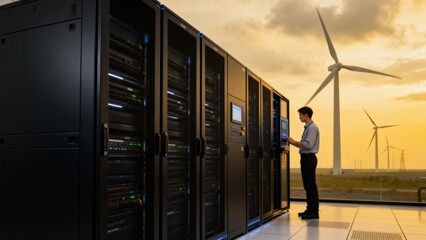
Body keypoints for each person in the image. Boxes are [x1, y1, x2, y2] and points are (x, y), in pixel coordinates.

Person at [286, 106, 320, 219]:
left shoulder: (312, 128)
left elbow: (308, 144)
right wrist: (292, 142)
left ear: (306, 115)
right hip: (306, 158)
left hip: (309, 158)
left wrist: (293, 141)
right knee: (307, 185)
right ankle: (309, 209)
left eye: (300, 115)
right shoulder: (308, 128)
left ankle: (314, 212)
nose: (299, 117)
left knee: (310, 185)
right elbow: (304, 144)